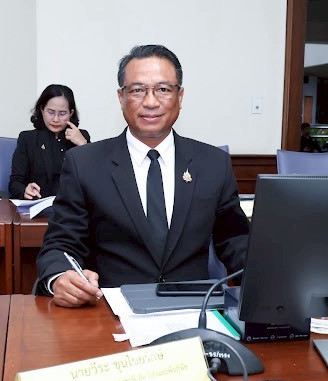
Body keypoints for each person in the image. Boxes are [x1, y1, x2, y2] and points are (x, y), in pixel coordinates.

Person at [33, 45, 250, 308]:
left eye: (163, 89)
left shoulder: (213, 163)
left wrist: (267, 276)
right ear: (121, 97)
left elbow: (235, 239)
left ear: (179, 96)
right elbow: (60, 244)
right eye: (137, 90)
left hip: (194, 309)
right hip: (110, 312)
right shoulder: (85, 164)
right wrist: (60, 277)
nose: (150, 102)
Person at [8, 84, 91, 199]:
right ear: (42, 110)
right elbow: (15, 183)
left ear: (71, 113)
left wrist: (84, 145)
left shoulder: (82, 137)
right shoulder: (27, 139)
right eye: (51, 112)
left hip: (72, 205)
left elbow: (95, 179)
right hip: (39, 203)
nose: (56, 119)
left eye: (62, 113)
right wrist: (25, 190)